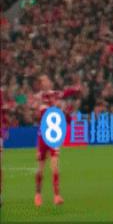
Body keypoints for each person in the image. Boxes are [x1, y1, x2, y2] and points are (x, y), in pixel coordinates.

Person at [34, 74, 80, 207]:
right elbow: (40, 113)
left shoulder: (55, 94)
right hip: (43, 135)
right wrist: (55, 107)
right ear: (40, 84)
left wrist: (75, 89)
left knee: (55, 166)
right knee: (40, 168)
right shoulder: (39, 97)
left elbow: (66, 92)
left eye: (48, 80)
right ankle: (38, 194)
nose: (47, 82)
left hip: (53, 136)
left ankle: (57, 195)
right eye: (44, 81)